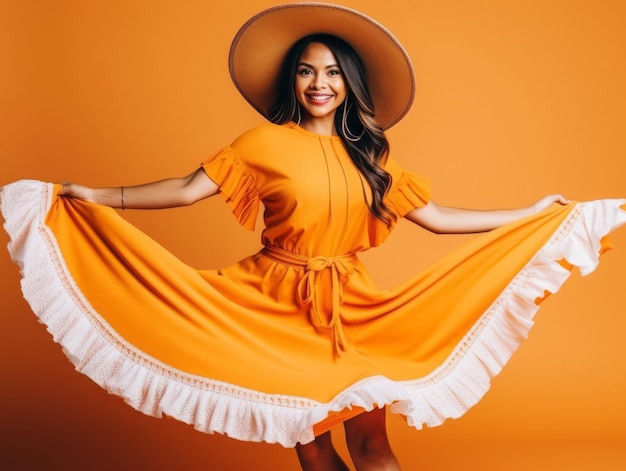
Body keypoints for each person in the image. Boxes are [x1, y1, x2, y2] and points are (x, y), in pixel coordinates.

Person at [1, 3, 624, 471]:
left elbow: (439, 218)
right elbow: (187, 189)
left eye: (331, 72)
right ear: (291, 82)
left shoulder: (371, 155)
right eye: (305, 71)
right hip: (269, 302)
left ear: (350, 81)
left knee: (372, 439)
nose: (318, 83)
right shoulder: (261, 142)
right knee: (310, 438)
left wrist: (529, 213)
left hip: (348, 306)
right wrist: (96, 194)